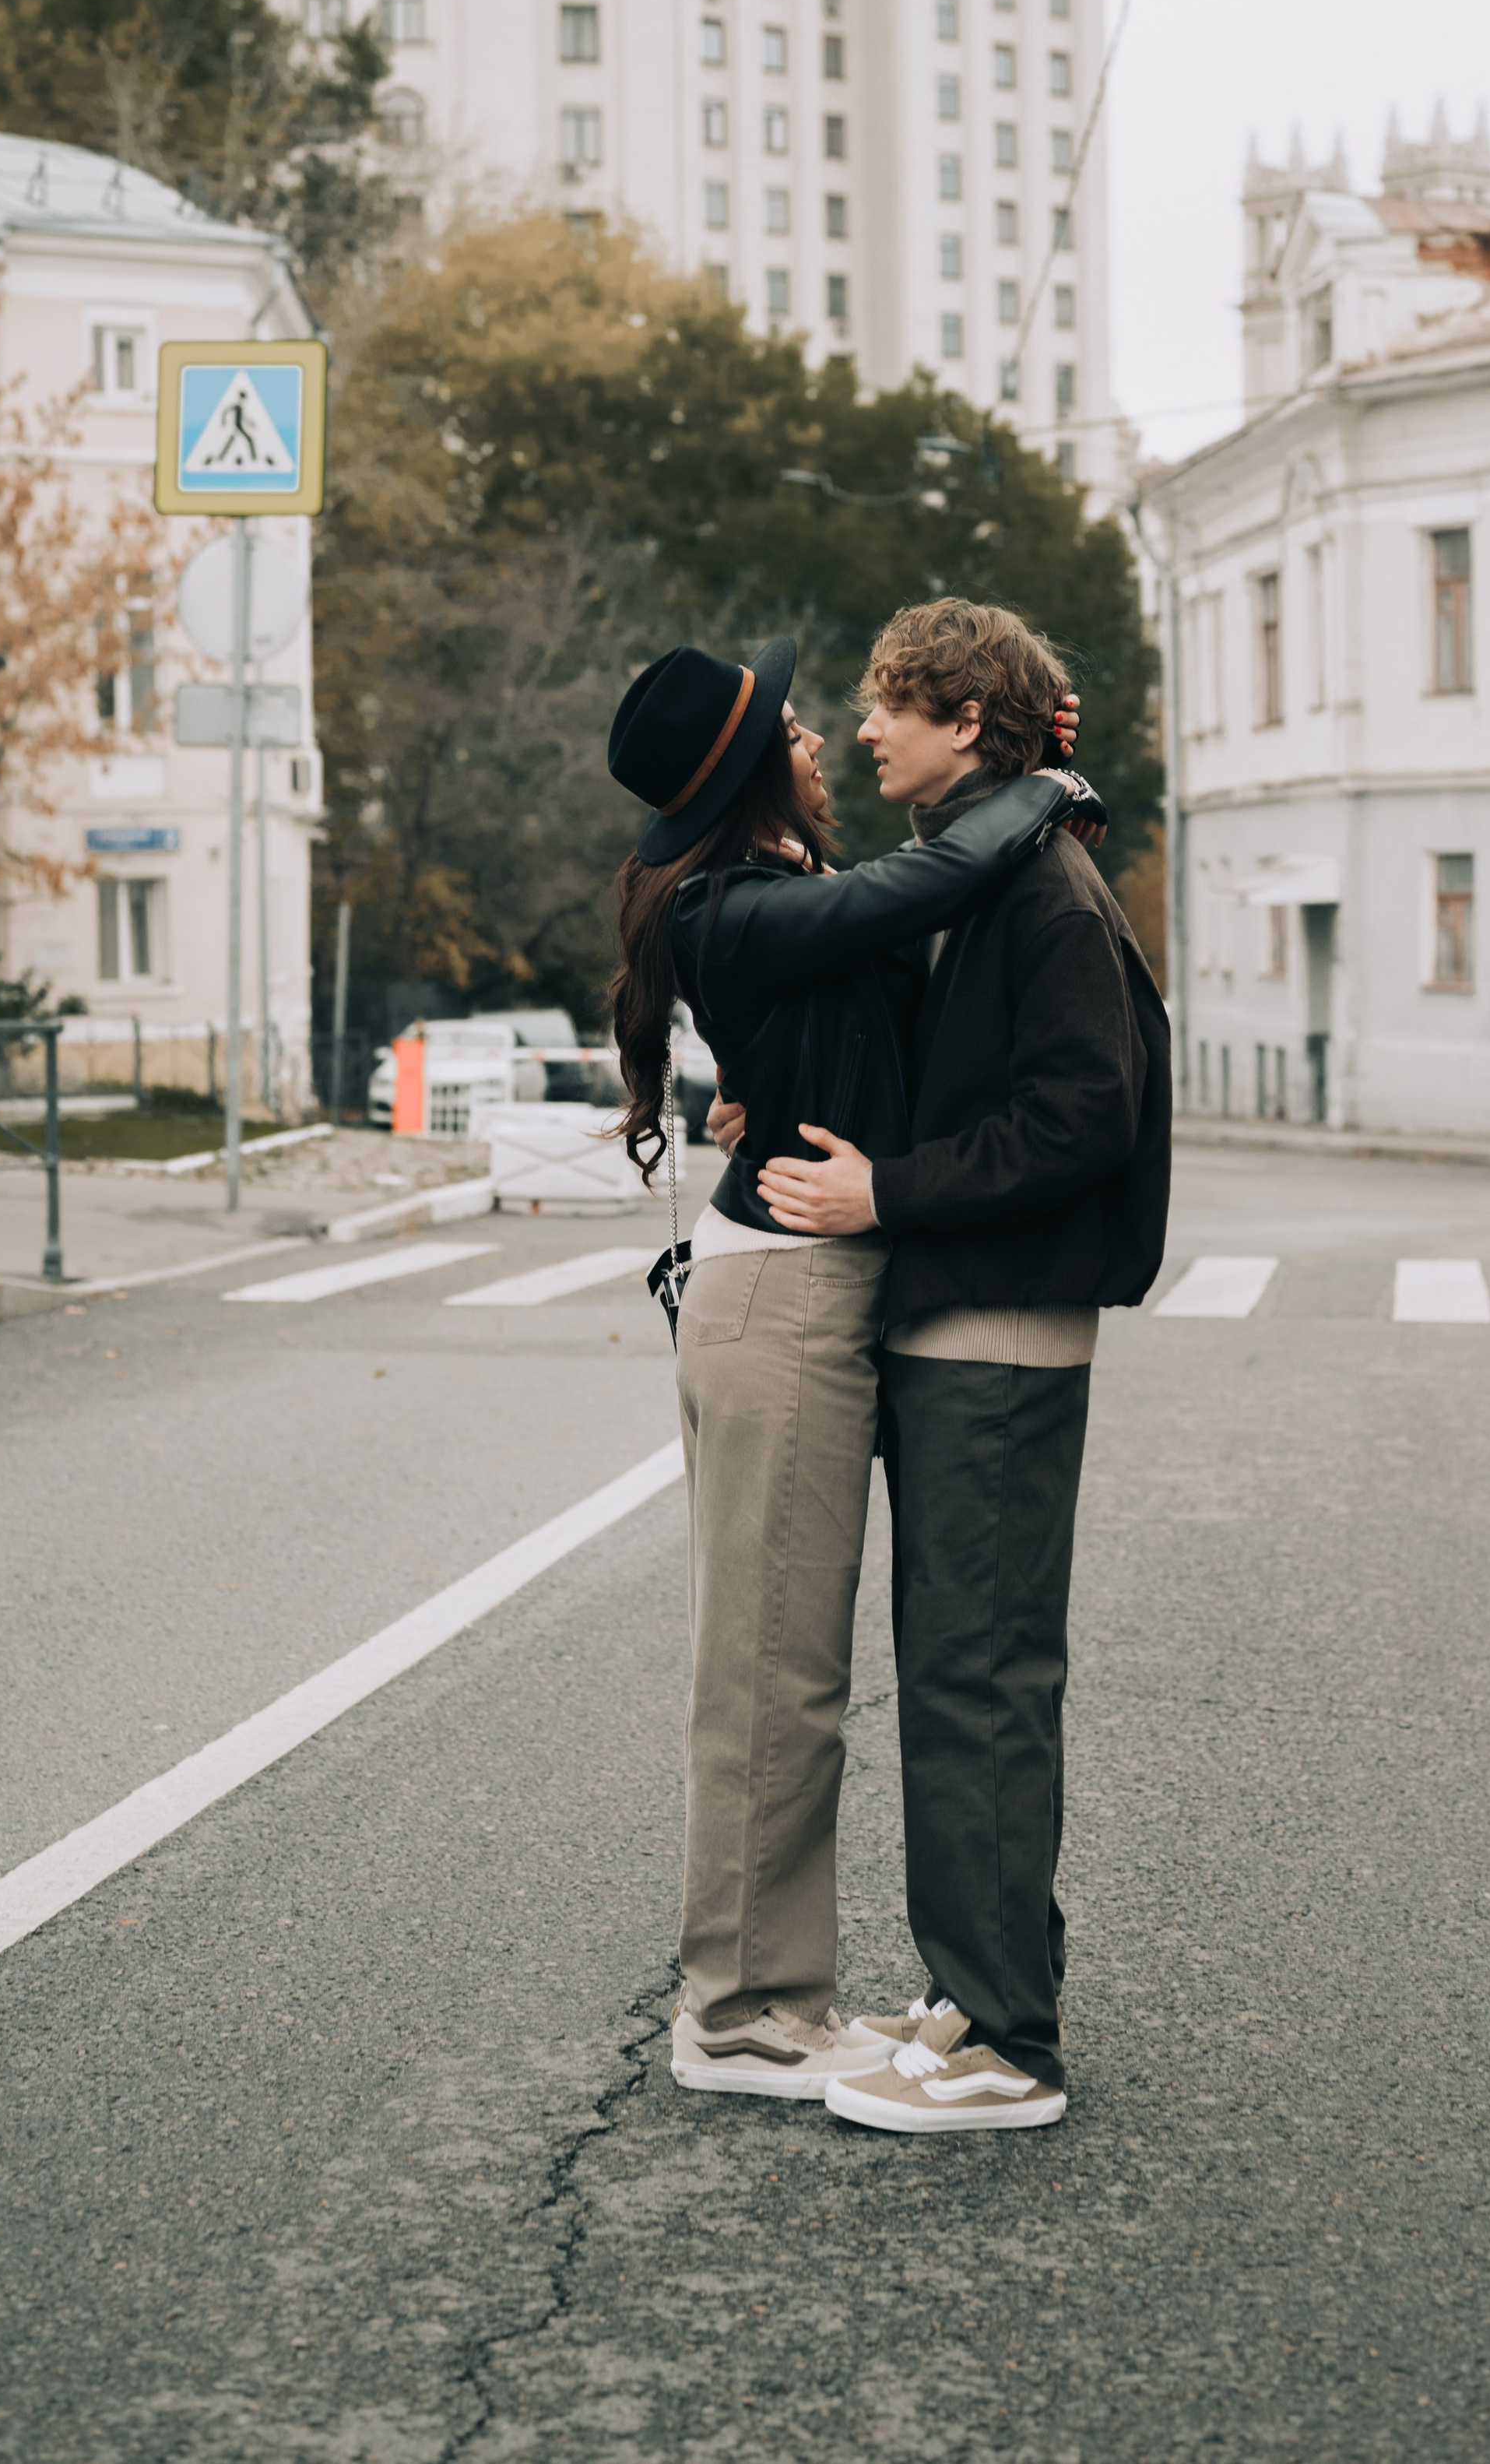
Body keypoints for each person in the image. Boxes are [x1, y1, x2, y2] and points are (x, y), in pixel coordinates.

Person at [606, 635, 1098, 2103]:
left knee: (811, 1671)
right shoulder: (729, 904)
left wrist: (1023, 752)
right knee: (770, 1678)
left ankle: (789, 1994)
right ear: (752, 767)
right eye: (806, 727)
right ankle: (746, 2015)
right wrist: (1049, 776)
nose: (829, 739)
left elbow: (902, 1006)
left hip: (844, 1290)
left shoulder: (792, 898)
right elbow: (934, 884)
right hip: (784, 1297)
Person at [753, 599, 1173, 2133]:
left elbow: (1081, 1114)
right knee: (952, 1668)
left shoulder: (1039, 891)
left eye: (893, 704)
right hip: (962, 1320)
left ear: (968, 727)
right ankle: (964, 1988)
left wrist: (889, 1193)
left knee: (979, 1677)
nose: (866, 729)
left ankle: (1006, 2041)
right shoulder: (986, 877)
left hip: (999, 1328)